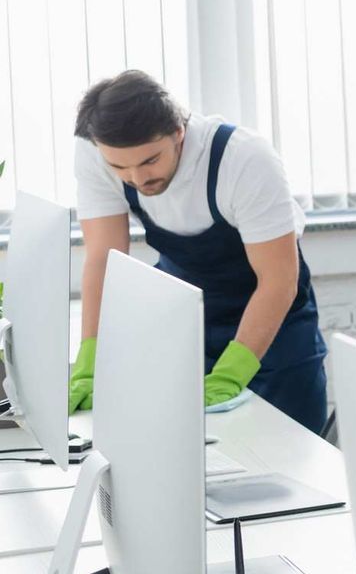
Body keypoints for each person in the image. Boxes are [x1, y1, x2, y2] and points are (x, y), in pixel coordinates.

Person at [70, 71, 330, 434]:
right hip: (186, 320)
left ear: (179, 131)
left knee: (292, 461)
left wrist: (231, 373)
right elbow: (102, 259)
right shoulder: (96, 150)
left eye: (150, 161)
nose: (137, 179)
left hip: (273, 325)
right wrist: (89, 359)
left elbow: (278, 279)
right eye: (120, 167)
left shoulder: (243, 159)